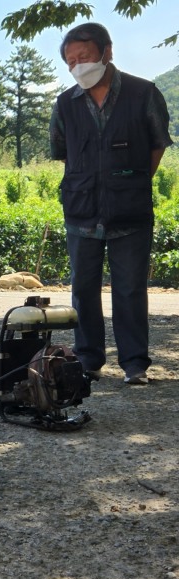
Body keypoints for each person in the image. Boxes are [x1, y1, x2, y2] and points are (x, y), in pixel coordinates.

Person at [49, 22, 173, 385]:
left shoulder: (143, 93)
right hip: (81, 209)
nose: (78, 66)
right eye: (70, 62)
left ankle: (134, 364)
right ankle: (88, 359)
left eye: (84, 57)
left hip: (130, 211)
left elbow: (157, 144)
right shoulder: (65, 103)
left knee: (130, 289)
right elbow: (62, 152)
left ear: (107, 52)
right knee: (82, 288)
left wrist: (129, 182)